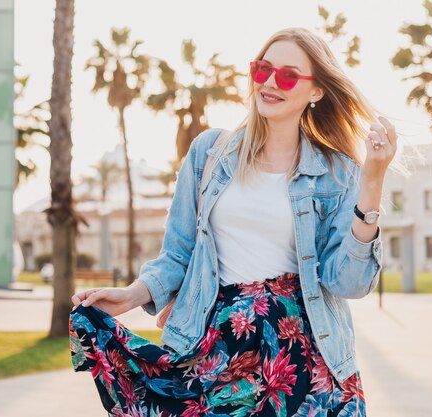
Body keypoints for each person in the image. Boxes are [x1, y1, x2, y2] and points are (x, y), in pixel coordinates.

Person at [69, 27, 397, 417]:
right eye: (262, 69)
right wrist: (132, 294)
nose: (271, 82)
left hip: (304, 356)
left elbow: (349, 282)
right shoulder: (210, 153)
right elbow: (178, 254)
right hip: (220, 349)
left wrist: (372, 182)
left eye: (288, 75)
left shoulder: (337, 172)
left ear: (316, 91)